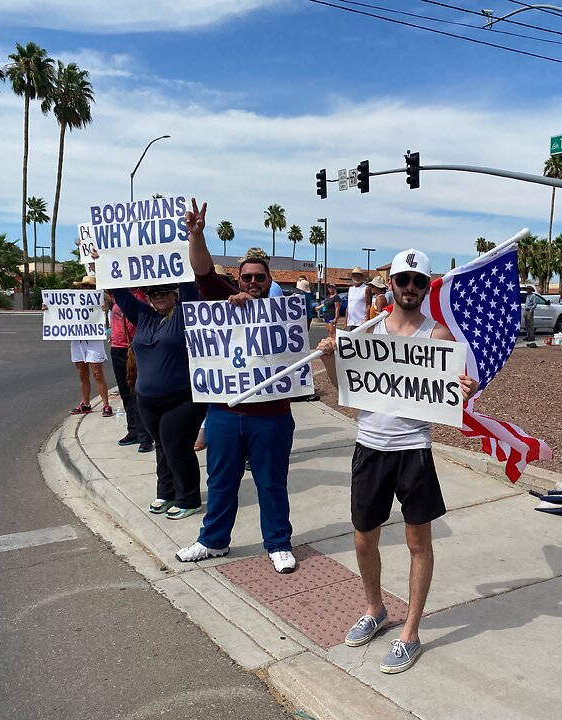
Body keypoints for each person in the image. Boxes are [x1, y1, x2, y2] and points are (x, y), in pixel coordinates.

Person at [316, 248, 478, 675]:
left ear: (426, 288)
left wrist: (462, 389)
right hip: (370, 446)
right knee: (363, 538)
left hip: (413, 451)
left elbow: (453, 395)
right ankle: (375, 609)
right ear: (391, 284)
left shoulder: (437, 337)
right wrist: (332, 359)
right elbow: (344, 392)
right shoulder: (369, 331)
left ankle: (411, 632)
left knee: (417, 543)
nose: (409, 288)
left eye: (417, 282)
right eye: (402, 280)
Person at [176, 198, 301, 574]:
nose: (251, 283)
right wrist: (196, 235)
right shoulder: (222, 299)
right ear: (238, 279)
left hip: (272, 417)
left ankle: (278, 543)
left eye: (259, 278)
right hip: (224, 414)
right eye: (246, 277)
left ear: (269, 280)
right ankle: (213, 541)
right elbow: (201, 269)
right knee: (221, 481)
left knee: (271, 483)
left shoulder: (286, 311)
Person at [110, 278, 208, 521]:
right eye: (152, 293)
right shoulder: (143, 315)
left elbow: (189, 286)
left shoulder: (184, 314)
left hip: (182, 398)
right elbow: (119, 292)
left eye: (164, 291)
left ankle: (189, 498)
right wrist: (100, 262)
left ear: (175, 294)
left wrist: (183, 251)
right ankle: (166, 492)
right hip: (147, 399)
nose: (158, 296)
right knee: (162, 447)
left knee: (177, 447)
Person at [104, 287, 155, 453]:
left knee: (137, 393)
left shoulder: (138, 295)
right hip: (117, 347)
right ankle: (132, 430)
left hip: (133, 348)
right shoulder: (114, 295)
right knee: (125, 393)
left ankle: (145, 436)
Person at [66, 275, 113, 417]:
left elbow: (107, 326)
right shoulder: (73, 303)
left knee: (97, 374)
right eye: (84, 286)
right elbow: (61, 316)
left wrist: (104, 312)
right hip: (77, 340)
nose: (86, 289)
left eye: (90, 287)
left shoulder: (102, 304)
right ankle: (85, 404)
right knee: (82, 373)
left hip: (93, 341)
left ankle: (106, 405)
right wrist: (49, 309)